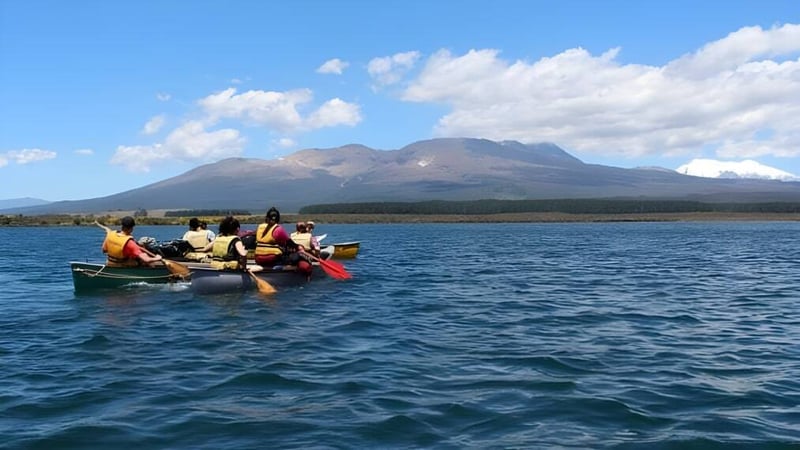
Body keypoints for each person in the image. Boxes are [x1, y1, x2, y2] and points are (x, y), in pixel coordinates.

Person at [254, 207, 312, 276]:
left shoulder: (260, 227)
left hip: (258, 259)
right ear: (278, 219)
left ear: (267, 218)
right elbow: (289, 242)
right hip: (272, 260)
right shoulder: (278, 229)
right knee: (298, 256)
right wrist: (299, 247)